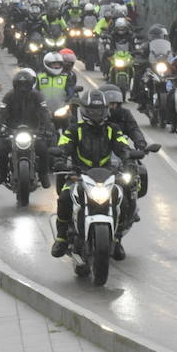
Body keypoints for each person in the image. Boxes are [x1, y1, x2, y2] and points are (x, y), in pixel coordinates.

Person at [50, 89, 135, 261]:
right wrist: (61, 156)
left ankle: (117, 239)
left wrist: (127, 157)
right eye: (93, 110)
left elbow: (122, 144)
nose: (96, 114)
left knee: (125, 197)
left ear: (105, 111)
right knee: (65, 197)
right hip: (78, 175)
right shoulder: (75, 129)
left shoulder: (112, 129)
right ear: (85, 111)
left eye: (100, 110)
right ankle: (61, 238)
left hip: (108, 176)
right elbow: (65, 143)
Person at [0, 68, 54, 188]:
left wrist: (48, 127)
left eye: (26, 85)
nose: (23, 88)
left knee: (43, 148)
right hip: (12, 130)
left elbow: (44, 112)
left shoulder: (38, 96)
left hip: (33, 130)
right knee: (0, 147)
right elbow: (1, 112)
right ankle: (2, 173)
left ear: (31, 85)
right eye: (20, 85)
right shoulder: (9, 96)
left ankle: (43, 175)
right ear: (15, 85)